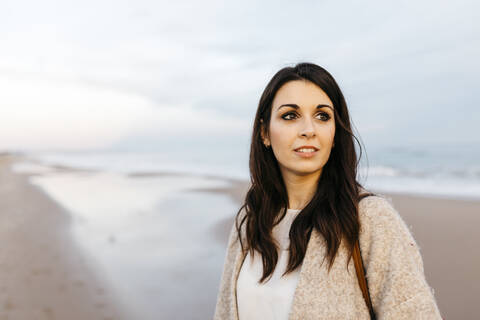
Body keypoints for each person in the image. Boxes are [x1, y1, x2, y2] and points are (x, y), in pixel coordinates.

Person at [213, 62, 442, 319]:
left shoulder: (370, 220)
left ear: (334, 135)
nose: (309, 130)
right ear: (265, 132)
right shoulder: (249, 221)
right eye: (290, 115)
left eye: (323, 116)